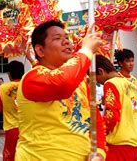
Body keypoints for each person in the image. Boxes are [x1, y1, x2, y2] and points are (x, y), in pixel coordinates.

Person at [16, 20, 106, 161]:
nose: (66, 42)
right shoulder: (32, 78)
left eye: (67, 38)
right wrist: (86, 50)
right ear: (40, 50)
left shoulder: (81, 82)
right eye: (57, 39)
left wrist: (99, 152)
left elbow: (95, 121)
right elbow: (63, 83)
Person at [96, 55, 137, 161]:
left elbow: (111, 116)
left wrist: (100, 133)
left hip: (118, 146)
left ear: (100, 71)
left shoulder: (110, 84)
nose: (98, 82)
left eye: (96, 78)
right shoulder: (133, 86)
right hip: (135, 145)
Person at [0, 61, 24, 161]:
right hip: (28, 128)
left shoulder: (2, 88)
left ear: (9, 74)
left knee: (10, 156)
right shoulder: (28, 85)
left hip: (11, 129)